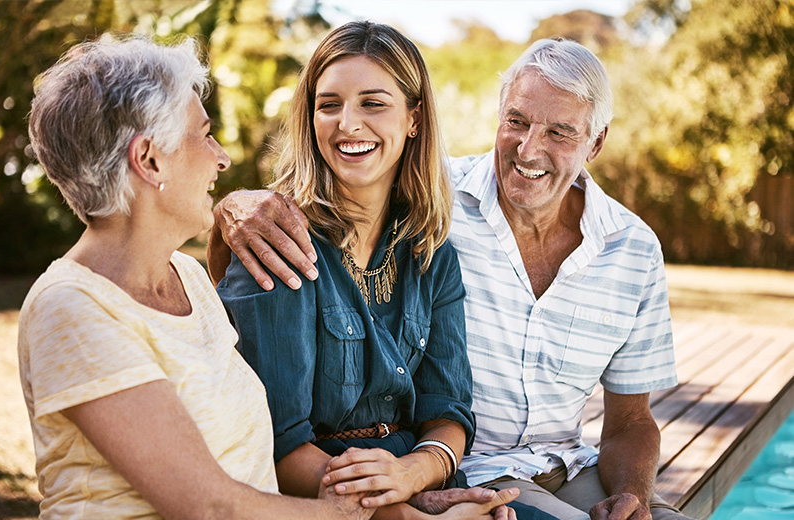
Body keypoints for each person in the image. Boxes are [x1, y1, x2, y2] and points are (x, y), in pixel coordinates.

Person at [208, 37, 698, 520]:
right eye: (517, 122)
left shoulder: (433, 235)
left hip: (539, 465)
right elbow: (276, 437)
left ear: (596, 142)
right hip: (466, 472)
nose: (529, 149)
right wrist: (230, 207)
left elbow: (628, 420)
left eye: (559, 132)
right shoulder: (421, 204)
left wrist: (632, 498)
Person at [19, 33, 373, 520]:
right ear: (149, 160)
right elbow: (209, 506)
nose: (221, 156)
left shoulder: (186, 275)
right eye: (204, 135)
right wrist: (344, 513)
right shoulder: (70, 308)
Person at [214, 21, 549, 520]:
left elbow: (448, 410)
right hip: (323, 500)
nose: (348, 124)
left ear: (414, 118)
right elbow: (278, 446)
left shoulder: (431, 254)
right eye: (329, 105)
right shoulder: (279, 240)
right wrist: (402, 511)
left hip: (420, 482)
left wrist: (416, 476)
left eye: (372, 103)